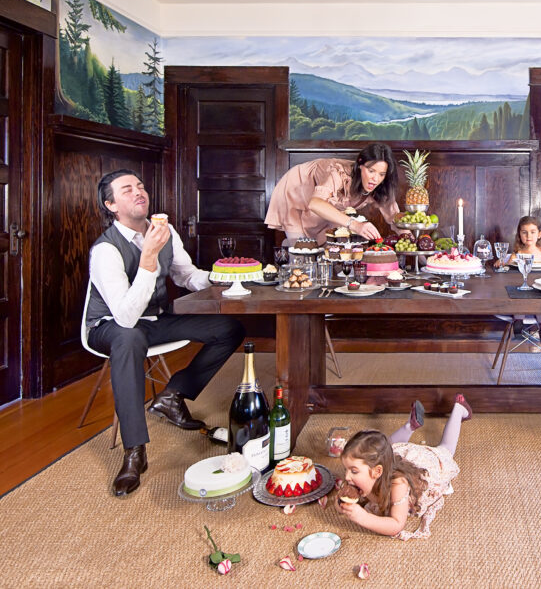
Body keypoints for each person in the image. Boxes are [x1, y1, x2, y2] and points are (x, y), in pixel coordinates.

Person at [86, 169, 246, 496]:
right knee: (129, 338)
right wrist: (147, 257)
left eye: (140, 186)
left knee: (229, 328)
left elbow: (186, 275)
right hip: (110, 325)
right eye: (127, 190)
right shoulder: (105, 250)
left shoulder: (164, 231)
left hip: (154, 319)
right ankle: (135, 452)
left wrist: (220, 277)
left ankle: (173, 396)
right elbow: (125, 317)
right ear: (111, 205)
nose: (139, 192)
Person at [335, 395, 473, 540]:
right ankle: (409, 426)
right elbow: (340, 505)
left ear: (377, 472)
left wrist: (363, 517)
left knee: (445, 450)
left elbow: (397, 524)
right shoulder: (357, 480)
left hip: (427, 468)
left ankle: (459, 410)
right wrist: (341, 504)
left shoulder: (398, 484)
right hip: (399, 457)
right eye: (346, 469)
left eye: (354, 471)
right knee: (385, 449)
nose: (347, 476)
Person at [264, 142, 403, 245]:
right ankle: (292, 245)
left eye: (381, 174)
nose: (375, 179)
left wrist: (409, 239)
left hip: (319, 201)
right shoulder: (338, 173)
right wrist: (355, 225)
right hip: (297, 188)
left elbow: (394, 217)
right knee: (301, 250)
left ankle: (292, 245)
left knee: (323, 246)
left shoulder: (381, 186)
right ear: (360, 165)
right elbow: (315, 204)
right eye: (371, 171)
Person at [506, 215, 541, 340]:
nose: (529, 236)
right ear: (519, 234)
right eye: (524, 232)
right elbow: (507, 270)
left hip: (539, 292)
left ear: (539, 234)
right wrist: (501, 263)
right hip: (521, 291)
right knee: (519, 299)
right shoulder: (517, 255)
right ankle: (518, 323)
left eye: (532, 232)